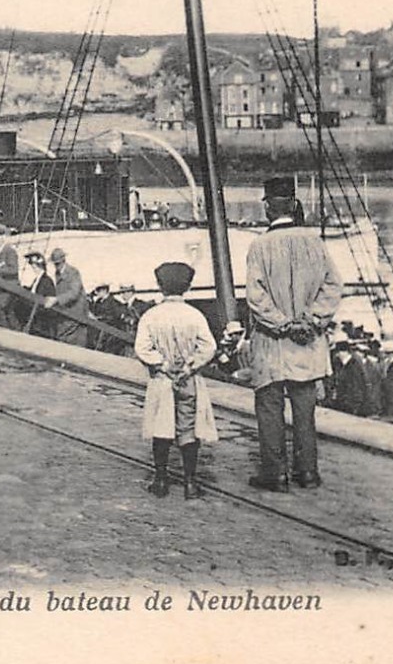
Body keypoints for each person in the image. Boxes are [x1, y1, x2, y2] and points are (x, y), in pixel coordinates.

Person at [243, 176, 342, 492]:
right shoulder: (315, 242)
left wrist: (283, 324)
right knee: (305, 410)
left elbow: (256, 296)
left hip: (272, 343)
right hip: (308, 343)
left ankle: (275, 474)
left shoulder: (259, 246)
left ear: (268, 208)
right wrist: (311, 321)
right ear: (294, 205)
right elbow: (333, 286)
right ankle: (307, 472)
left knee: (270, 408)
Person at [134, 261, 219, 499]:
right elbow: (208, 346)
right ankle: (190, 483)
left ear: (160, 286)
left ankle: (160, 480)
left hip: (162, 379)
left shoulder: (151, 315)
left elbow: (142, 348)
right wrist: (190, 365)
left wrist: (161, 363)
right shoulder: (194, 315)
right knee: (188, 429)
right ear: (188, 286)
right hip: (187, 379)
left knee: (161, 428)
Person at [49, 247, 93, 349]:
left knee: (76, 342)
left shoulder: (73, 273)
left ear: (64, 261)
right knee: (63, 339)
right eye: (55, 264)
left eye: (58, 264)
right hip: (66, 312)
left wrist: (57, 299)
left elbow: (74, 293)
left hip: (77, 313)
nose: (57, 267)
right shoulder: (57, 273)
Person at [22, 250, 59, 337]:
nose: (33, 267)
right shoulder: (37, 280)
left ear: (40, 266)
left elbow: (47, 299)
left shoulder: (47, 281)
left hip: (40, 318)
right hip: (34, 311)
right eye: (32, 265)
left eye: (34, 265)